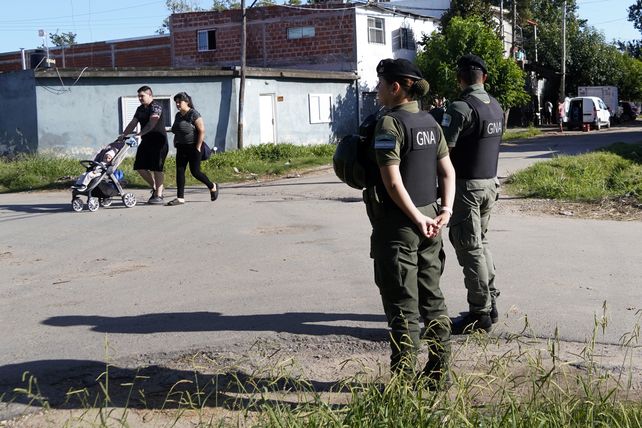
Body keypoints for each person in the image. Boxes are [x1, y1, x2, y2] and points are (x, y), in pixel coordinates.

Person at [364, 58, 455, 386]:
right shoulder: (431, 122)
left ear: (396, 87)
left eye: (380, 84)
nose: (377, 90)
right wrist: (445, 211)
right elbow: (447, 172)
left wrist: (415, 218)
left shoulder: (390, 125)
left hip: (400, 227)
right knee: (432, 298)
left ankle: (401, 385)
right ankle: (439, 374)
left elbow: (391, 182)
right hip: (431, 222)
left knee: (402, 306)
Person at [440, 54, 504, 335]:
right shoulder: (496, 107)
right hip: (490, 184)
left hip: (466, 187)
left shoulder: (460, 108)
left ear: (460, 79)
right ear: (485, 78)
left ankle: (479, 313)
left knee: (469, 248)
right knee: (481, 242)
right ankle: (489, 303)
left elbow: (443, 151)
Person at [166, 92, 218, 206]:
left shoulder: (193, 114)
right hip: (181, 147)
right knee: (180, 171)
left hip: (194, 146)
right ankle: (180, 198)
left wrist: (198, 147)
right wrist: (176, 141)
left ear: (187, 102)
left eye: (180, 102)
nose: (178, 104)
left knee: (195, 172)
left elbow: (202, 130)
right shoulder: (178, 115)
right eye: (176, 103)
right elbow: (177, 130)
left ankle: (212, 186)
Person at [119, 86, 169, 205]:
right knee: (140, 167)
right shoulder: (140, 109)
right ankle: (156, 187)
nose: (140, 98)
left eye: (142, 96)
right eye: (139, 96)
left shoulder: (156, 107)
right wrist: (123, 134)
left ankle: (159, 195)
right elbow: (133, 123)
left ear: (150, 95)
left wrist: (140, 134)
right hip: (146, 141)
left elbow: (152, 122)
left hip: (159, 142)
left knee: (157, 168)